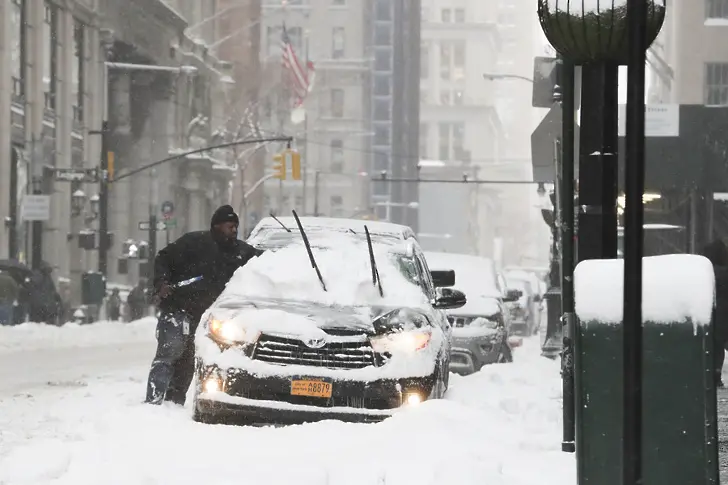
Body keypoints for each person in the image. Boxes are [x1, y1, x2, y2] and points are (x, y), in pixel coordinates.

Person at [145, 205, 264, 405]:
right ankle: (153, 402)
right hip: (177, 309)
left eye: (236, 226)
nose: (234, 230)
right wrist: (162, 283)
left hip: (203, 318)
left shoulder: (241, 253)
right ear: (216, 226)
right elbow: (163, 258)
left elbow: (265, 262)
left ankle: (174, 402)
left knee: (188, 363)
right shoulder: (193, 242)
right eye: (229, 226)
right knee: (169, 354)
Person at [702, 239, 728, 388]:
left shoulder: (706, 272)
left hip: (710, 311)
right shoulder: (725, 272)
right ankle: (716, 375)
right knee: (719, 345)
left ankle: (712, 374)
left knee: (712, 345)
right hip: (724, 313)